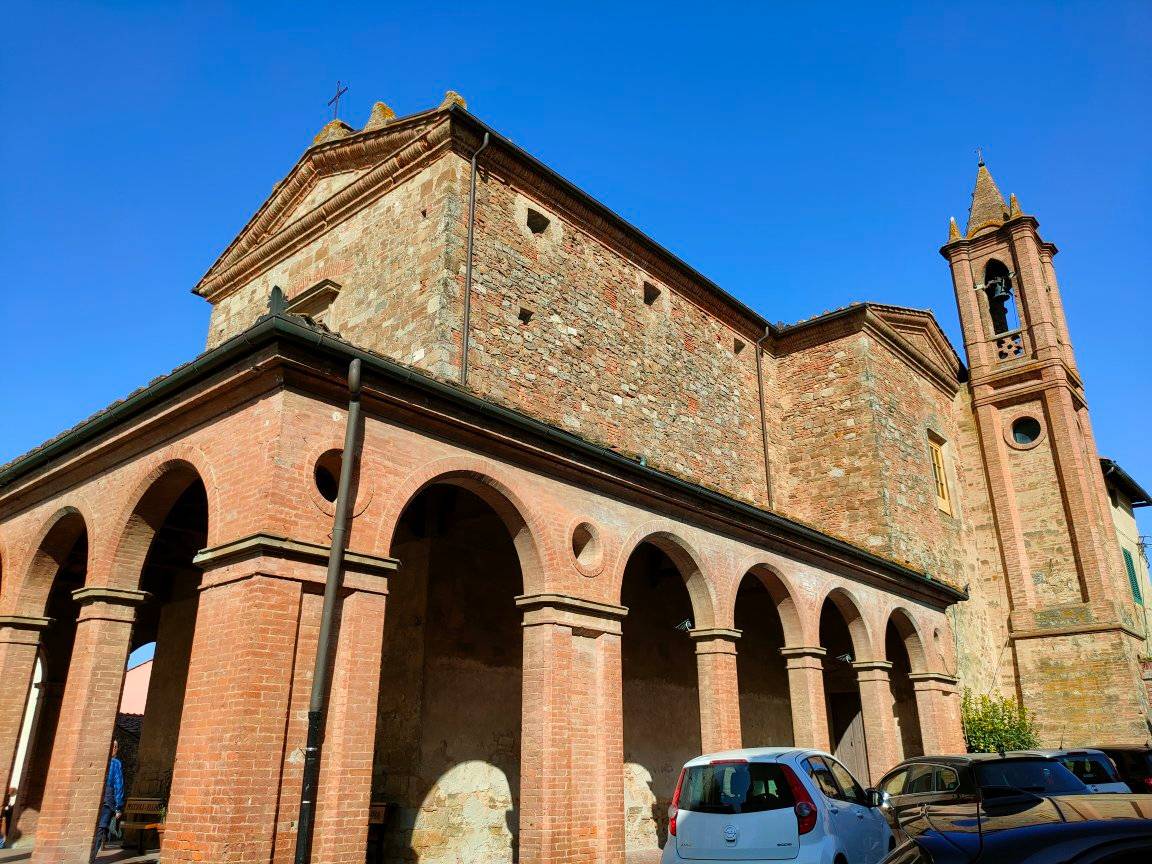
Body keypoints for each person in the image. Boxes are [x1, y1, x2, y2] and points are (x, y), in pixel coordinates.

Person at [89, 739, 124, 863]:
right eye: (113, 746)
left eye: (116, 747)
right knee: (100, 828)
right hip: (106, 798)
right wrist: (118, 807)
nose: (114, 749)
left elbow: (118, 785)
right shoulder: (115, 763)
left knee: (99, 828)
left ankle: (91, 857)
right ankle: (91, 858)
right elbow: (118, 785)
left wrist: (118, 807)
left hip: (103, 799)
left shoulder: (111, 762)